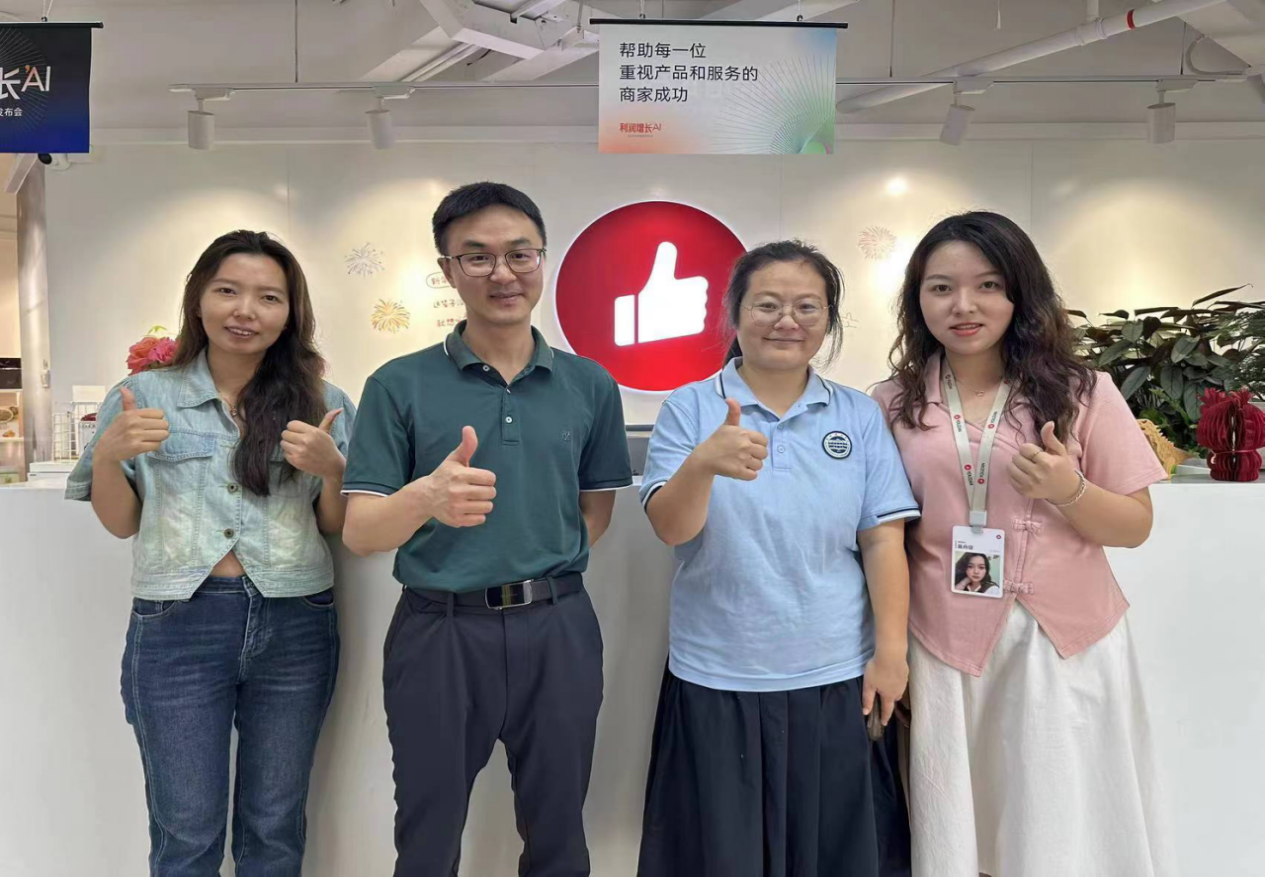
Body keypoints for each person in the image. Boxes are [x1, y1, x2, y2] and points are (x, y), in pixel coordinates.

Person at [340, 181, 632, 877]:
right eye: (477, 257)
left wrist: (532, 563)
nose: (503, 273)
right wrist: (425, 498)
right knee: (428, 833)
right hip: (438, 632)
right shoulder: (398, 384)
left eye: (519, 254)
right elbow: (361, 531)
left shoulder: (590, 384)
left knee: (559, 831)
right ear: (448, 271)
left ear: (542, 259)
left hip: (558, 628)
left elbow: (595, 512)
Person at [872, 211, 1175, 877]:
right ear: (918, 300)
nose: (964, 305)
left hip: (1059, 641)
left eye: (988, 285)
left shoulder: (1082, 391)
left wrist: (1070, 490)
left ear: (1020, 293)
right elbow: (881, 534)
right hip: (944, 640)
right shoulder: (892, 403)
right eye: (941, 288)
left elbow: (1135, 525)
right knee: (962, 822)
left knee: (1058, 822)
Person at [65, 230, 356, 876]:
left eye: (268, 297)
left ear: (291, 312)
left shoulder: (325, 402)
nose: (245, 310)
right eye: (227, 290)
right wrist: (109, 455)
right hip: (177, 625)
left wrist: (334, 470)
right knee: (186, 831)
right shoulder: (143, 394)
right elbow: (120, 523)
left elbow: (335, 524)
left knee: (275, 825)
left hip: (296, 621)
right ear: (198, 298)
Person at [636, 240, 919, 877]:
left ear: (828, 320)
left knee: (836, 857)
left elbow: (882, 539)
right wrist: (702, 465)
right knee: (720, 858)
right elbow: (670, 529)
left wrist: (891, 653)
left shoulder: (857, 414)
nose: (786, 320)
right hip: (718, 673)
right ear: (735, 313)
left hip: (836, 674)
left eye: (806, 307)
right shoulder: (691, 406)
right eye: (767, 304)